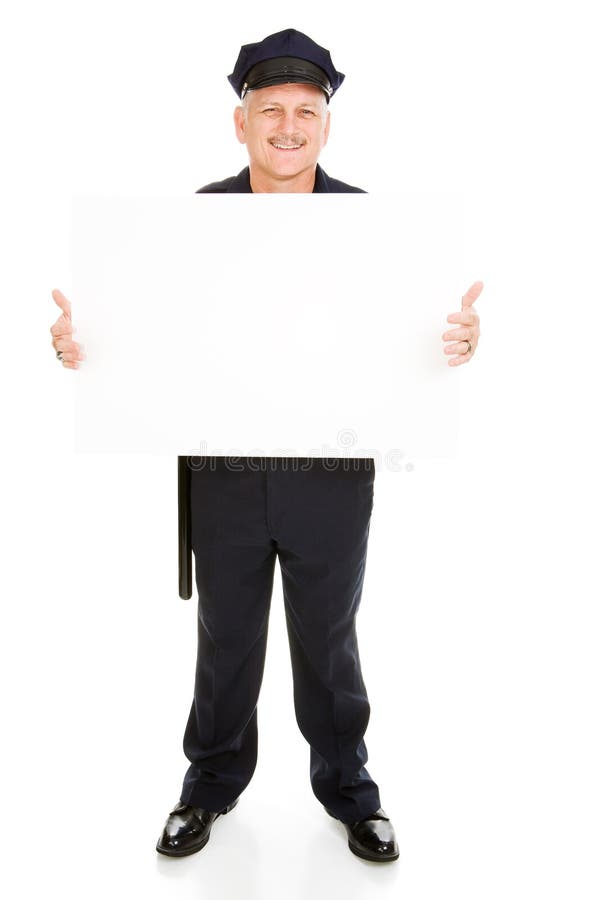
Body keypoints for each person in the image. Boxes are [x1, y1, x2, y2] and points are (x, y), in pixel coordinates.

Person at [49, 28, 483, 863]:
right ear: (240, 123)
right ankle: (207, 787)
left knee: (328, 638)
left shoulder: (374, 224)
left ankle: (350, 791)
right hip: (223, 472)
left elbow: (413, 337)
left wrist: (461, 339)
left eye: (306, 111)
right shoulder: (191, 220)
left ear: (327, 126)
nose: (289, 125)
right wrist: (82, 344)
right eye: (270, 109)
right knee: (227, 636)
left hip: (331, 470)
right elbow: (144, 333)